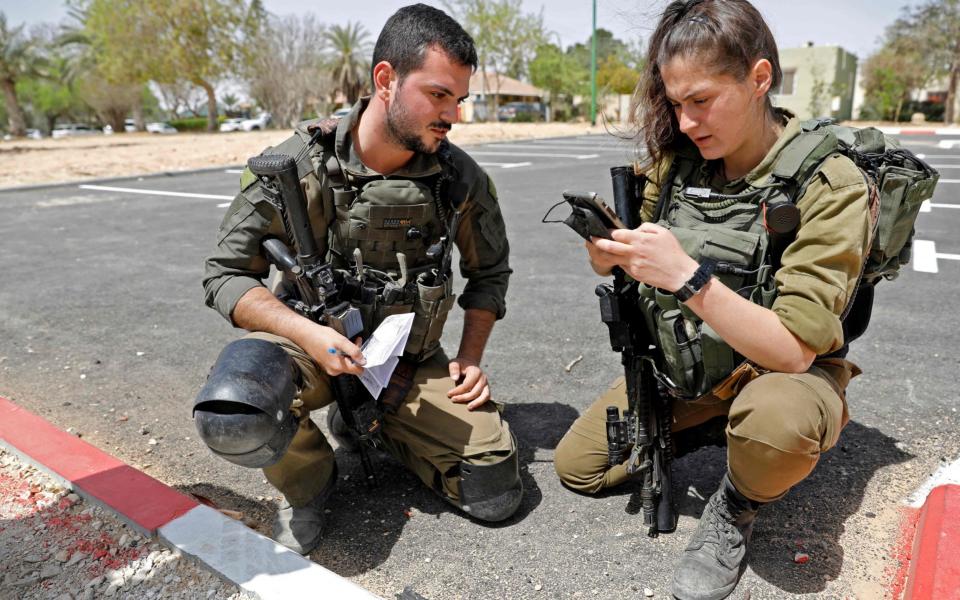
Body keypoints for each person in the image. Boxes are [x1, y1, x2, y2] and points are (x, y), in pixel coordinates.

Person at [553, 1, 871, 599]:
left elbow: (795, 348)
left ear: (758, 79)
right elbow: (632, 254)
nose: (687, 120)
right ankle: (724, 425)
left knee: (776, 426)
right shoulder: (679, 165)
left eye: (701, 100)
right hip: (690, 368)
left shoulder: (828, 183)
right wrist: (608, 253)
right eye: (675, 103)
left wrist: (688, 278)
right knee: (581, 468)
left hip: (782, 372)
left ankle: (738, 501)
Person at [198, 3, 521, 555]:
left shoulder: (459, 178)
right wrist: (309, 335)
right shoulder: (293, 165)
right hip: (312, 349)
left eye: (459, 100)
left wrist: (469, 358)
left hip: (406, 362)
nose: (454, 116)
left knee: (494, 487)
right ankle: (312, 485)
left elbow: (488, 273)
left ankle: (379, 424)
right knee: (239, 407)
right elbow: (226, 276)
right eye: (439, 95)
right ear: (385, 80)